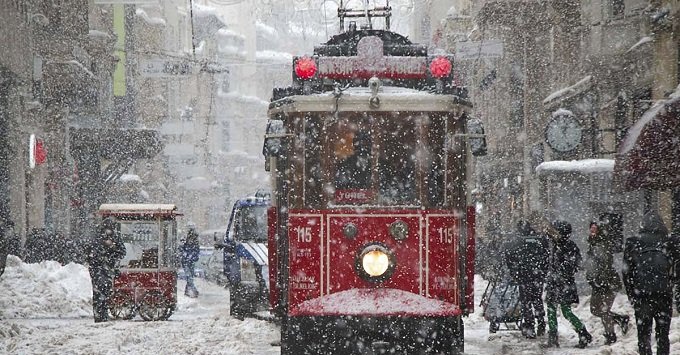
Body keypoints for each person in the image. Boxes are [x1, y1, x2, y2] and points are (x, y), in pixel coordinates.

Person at [623, 211, 679, 355]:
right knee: (662, 335)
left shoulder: (633, 242)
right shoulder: (670, 241)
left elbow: (626, 272)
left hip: (642, 295)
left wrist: (632, 294)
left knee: (643, 336)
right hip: (663, 294)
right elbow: (677, 268)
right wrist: (671, 283)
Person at [544, 220, 592, 348]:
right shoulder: (556, 245)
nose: (552, 233)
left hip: (563, 283)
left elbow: (577, 265)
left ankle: (583, 333)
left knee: (565, 311)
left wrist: (561, 272)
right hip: (558, 283)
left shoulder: (568, 246)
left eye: (555, 231)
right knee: (551, 309)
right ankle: (554, 337)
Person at [584, 221, 629, 344]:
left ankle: (611, 336)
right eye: (591, 228)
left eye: (594, 228)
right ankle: (620, 319)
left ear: (599, 231)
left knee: (603, 310)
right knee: (595, 309)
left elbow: (603, 265)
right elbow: (592, 264)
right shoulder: (593, 244)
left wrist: (600, 281)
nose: (592, 231)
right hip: (598, 283)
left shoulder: (601, 244)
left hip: (607, 283)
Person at [504, 220, 548, 338]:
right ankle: (541, 321)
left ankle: (529, 326)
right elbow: (546, 255)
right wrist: (542, 271)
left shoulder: (518, 241)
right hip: (537, 275)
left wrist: (514, 271)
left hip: (524, 276)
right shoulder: (539, 239)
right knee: (537, 299)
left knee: (526, 301)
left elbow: (509, 255)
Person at [85, 218, 126, 323]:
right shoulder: (99, 238)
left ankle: (101, 313)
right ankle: (100, 314)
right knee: (100, 291)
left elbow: (121, 252)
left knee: (103, 291)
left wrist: (112, 249)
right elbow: (90, 252)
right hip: (99, 268)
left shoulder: (111, 238)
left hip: (104, 268)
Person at [179, 223, 200, 298]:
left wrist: (188, 255)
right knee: (189, 276)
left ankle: (187, 291)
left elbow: (196, 250)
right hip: (188, 260)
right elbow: (182, 249)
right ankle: (193, 290)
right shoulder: (187, 239)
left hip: (189, 260)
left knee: (189, 276)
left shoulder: (193, 240)